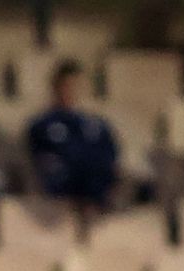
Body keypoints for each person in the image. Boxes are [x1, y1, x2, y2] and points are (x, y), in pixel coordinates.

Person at [27, 61, 119, 210]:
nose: (71, 92)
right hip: (62, 198)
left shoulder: (96, 125)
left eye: (76, 86)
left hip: (96, 197)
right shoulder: (42, 126)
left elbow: (109, 155)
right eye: (67, 86)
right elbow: (44, 162)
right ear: (56, 87)